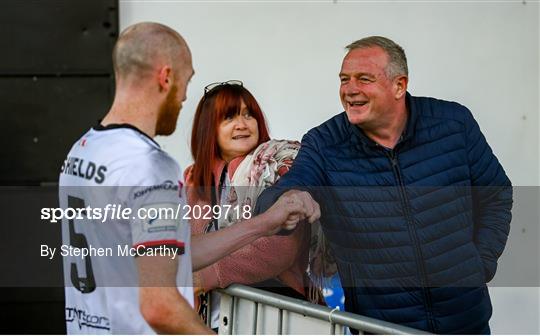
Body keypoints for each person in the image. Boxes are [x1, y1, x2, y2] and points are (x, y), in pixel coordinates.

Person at [58, 22, 318, 334]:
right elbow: (159, 305)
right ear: (166, 77)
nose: (183, 97)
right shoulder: (150, 166)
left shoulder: (82, 151)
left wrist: (265, 222)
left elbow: (173, 254)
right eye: (186, 80)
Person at [257, 36, 513, 334]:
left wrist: (480, 264)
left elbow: (496, 194)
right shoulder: (325, 143)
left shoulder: (454, 124)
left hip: (466, 322)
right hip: (381, 327)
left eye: (364, 79)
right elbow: (287, 191)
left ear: (399, 85)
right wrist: (285, 200)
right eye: (344, 80)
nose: (350, 90)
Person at [184, 81, 325, 329]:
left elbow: (280, 248)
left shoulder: (280, 168)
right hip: (208, 320)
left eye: (249, 114)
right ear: (209, 129)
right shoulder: (193, 181)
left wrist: (206, 275)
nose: (242, 124)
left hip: (273, 318)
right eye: (229, 117)